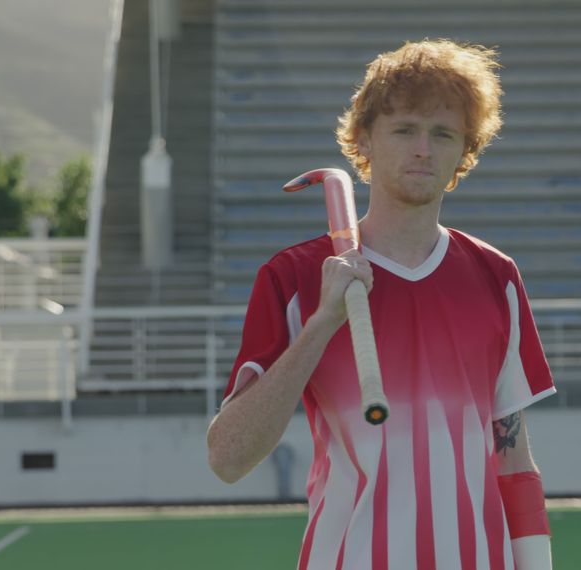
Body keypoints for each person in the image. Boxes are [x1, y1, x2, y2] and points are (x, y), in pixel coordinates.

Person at [207, 39, 557, 570]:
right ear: (364, 140)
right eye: (405, 130)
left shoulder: (495, 275)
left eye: (443, 134)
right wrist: (322, 324)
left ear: (465, 151)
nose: (423, 148)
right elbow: (228, 458)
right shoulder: (295, 278)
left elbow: (513, 459)